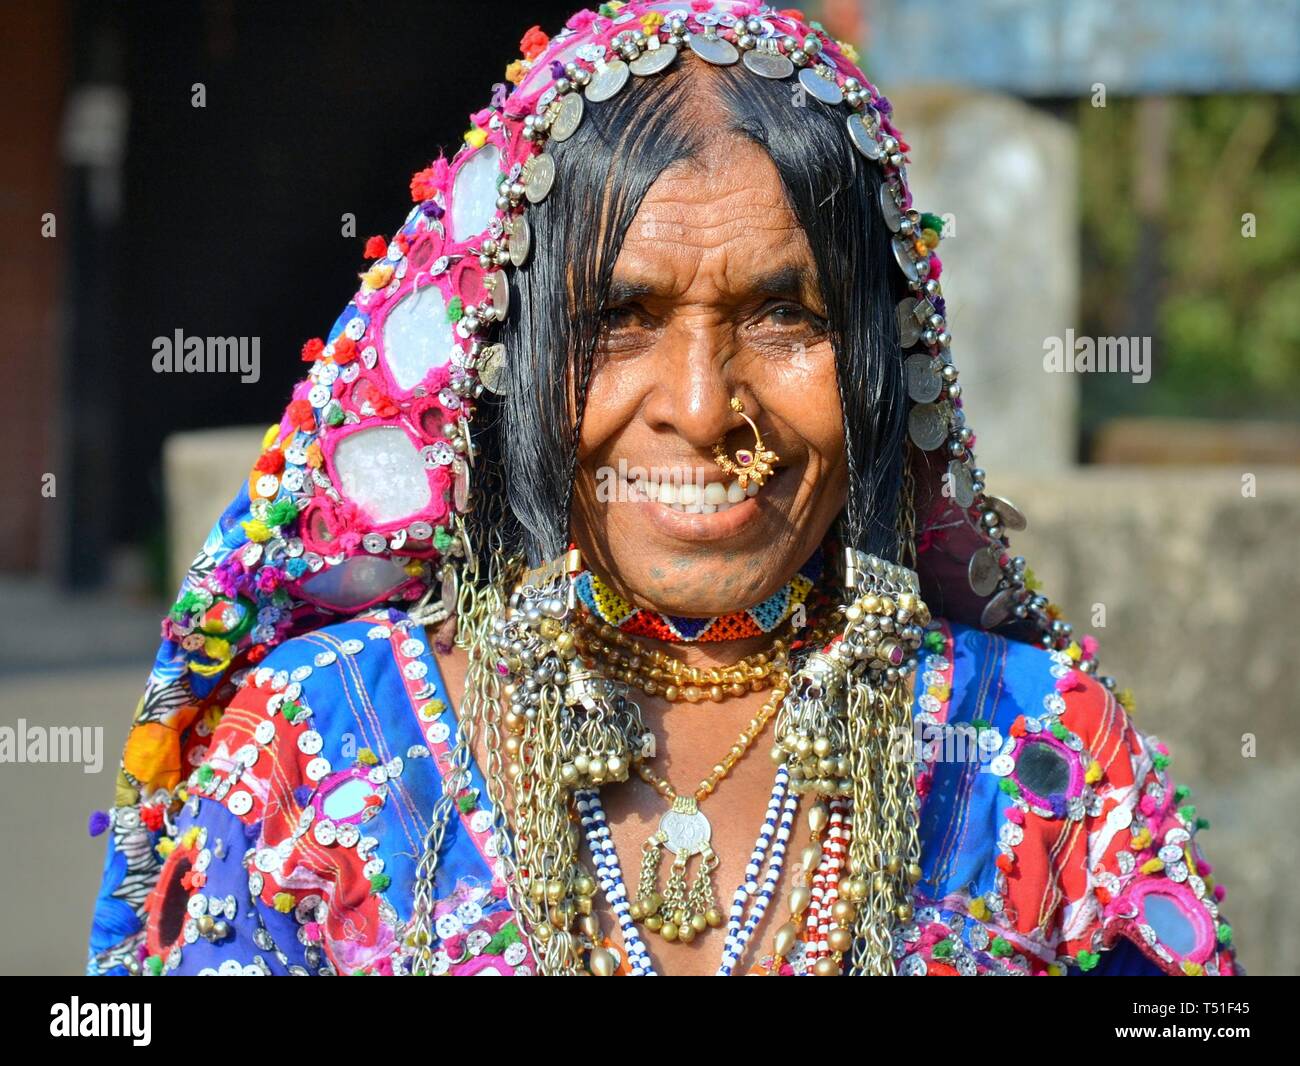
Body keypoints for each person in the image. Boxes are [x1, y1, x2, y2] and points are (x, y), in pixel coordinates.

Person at [86, 0, 1238, 977]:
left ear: (880, 363)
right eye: (619, 319)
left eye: (786, 315)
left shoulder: (1042, 753)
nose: (699, 405)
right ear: (507, 357)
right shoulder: (309, 756)